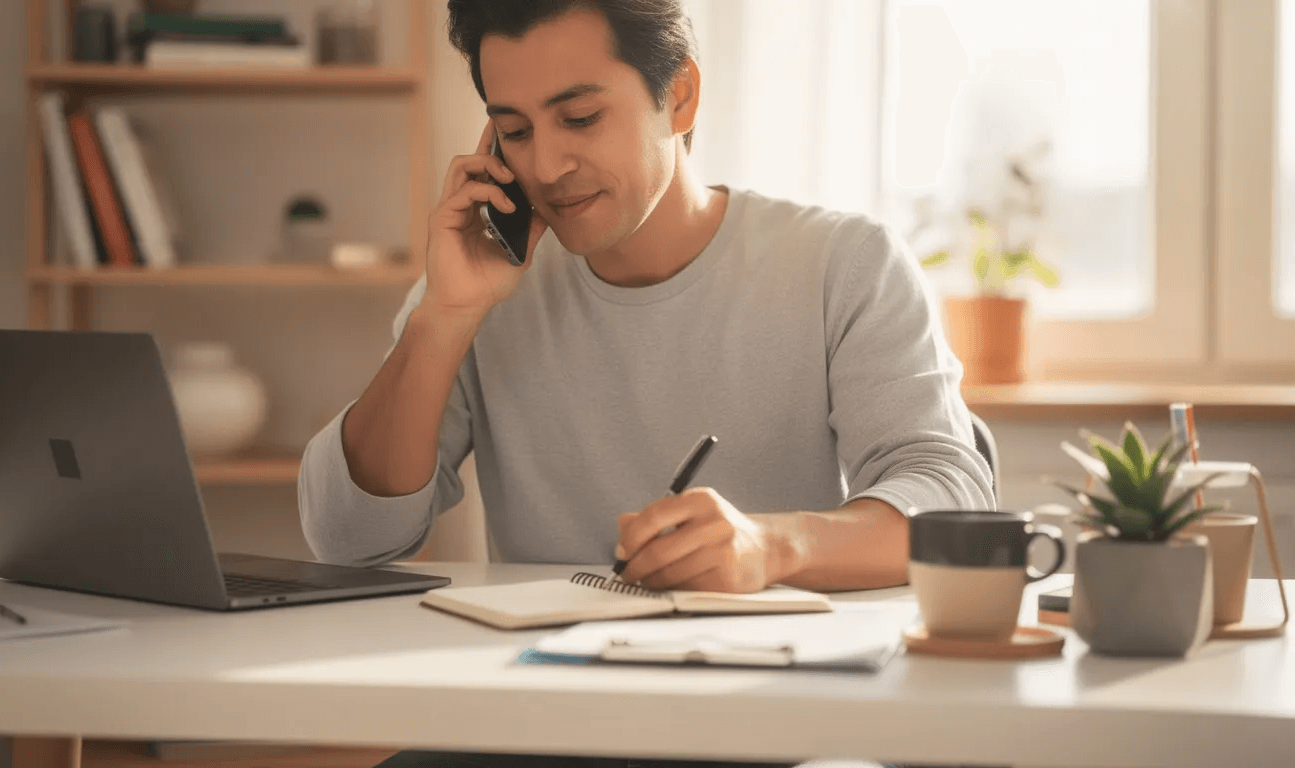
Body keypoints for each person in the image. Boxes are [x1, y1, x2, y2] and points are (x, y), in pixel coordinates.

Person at [299, 1, 993, 766]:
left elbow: (949, 497)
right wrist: (445, 315)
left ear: (682, 97)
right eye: (517, 131)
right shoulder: (485, 287)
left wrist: (770, 547)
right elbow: (349, 538)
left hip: (775, 721)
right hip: (550, 724)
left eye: (582, 118)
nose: (547, 166)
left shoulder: (844, 264)